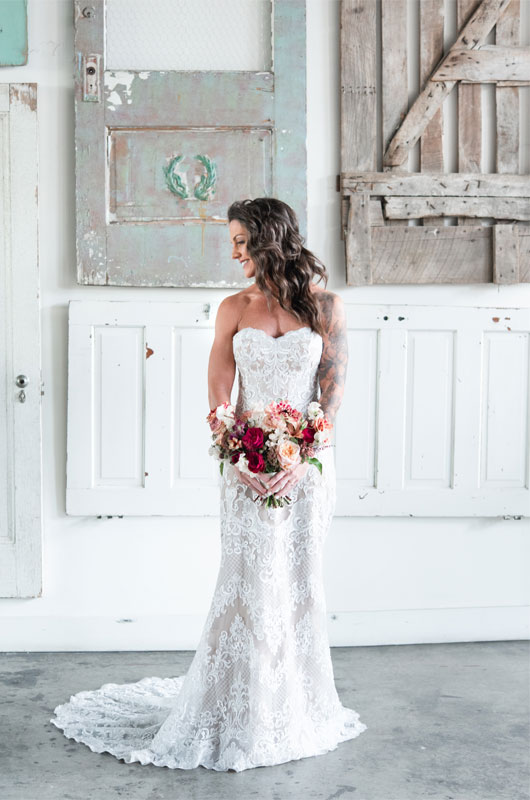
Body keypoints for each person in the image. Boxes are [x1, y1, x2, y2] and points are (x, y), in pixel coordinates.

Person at [50, 197, 367, 772]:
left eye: (243, 241)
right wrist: (238, 457)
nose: (235, 251)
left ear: (273, 239)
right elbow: (220, 390)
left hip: (306, 472)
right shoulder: (232, 308)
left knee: (297, 587)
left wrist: (303, 456)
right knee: (246, 587)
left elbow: (333, 390)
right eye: (233, 241)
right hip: (244, 471)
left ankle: (292, 709)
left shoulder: (325, 307)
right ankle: (234, 712)